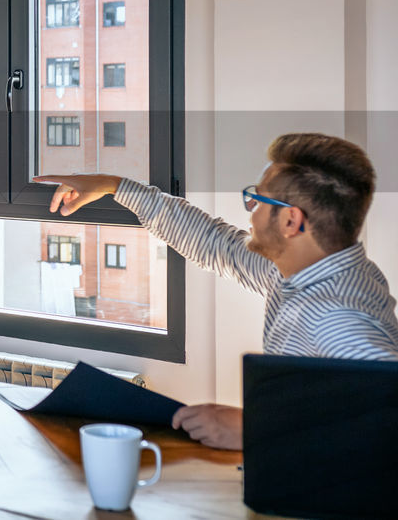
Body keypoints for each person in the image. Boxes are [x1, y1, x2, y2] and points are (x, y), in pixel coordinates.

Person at [36, 132, 398, 451]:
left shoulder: (339, 317)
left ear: (291, 221)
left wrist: (253, 428)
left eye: (257, 201)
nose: (251, 211)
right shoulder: (303, 270)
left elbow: (383, 429)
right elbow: (215, 243)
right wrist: (115, 185)